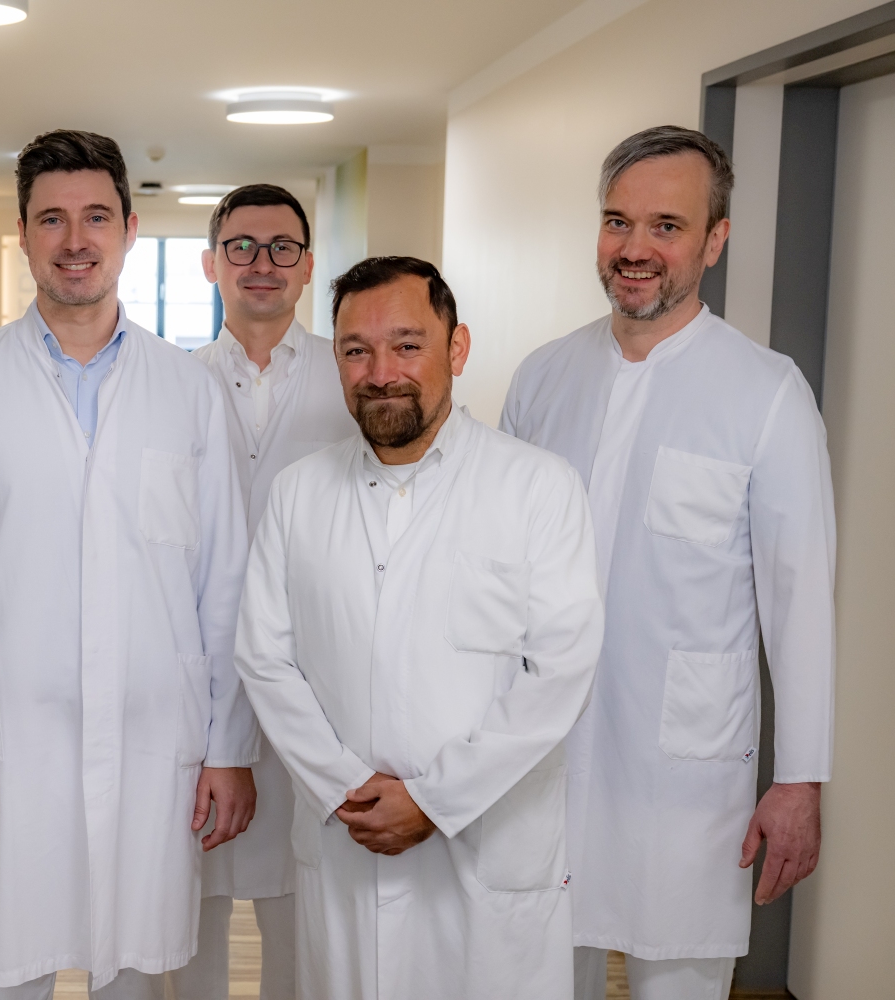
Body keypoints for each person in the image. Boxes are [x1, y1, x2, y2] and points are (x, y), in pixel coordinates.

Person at [0, 129, 257, 999]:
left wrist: (229, 746)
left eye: (96, 216)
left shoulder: (188, 391)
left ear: (130, 229)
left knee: (132, 970)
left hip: (151, 736)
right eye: (52, 219)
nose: (75, 239)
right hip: (5, 738)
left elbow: (224, 584)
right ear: (23, 234)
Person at [501, 126, 835, 1000]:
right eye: (617, 222)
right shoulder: (543, 378)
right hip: (539, 756)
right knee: (534, 974)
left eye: (667, 226)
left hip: (683, 774)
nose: (634, 249)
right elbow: (497, 573)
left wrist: (800, 782)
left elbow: (800, 603)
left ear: (715, 241)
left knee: (678, 976)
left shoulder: (766, 392)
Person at [236, 256, 603, 999]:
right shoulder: (297, 494)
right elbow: (265, 658)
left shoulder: (538, 487)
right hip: (348, 836)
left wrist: (435, 800)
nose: (381, 373)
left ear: (456, 349)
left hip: (488, 844)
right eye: (356, 350)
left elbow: (560, 669)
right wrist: (345, 786)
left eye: (407, 345)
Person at [177, 183, 355, 1000]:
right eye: (241, 246)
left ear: (309, 266)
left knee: (302, 917)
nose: (261, 263)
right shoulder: (172, 383)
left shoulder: (348, 377)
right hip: (196, 672)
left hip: (317, 677)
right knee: (188, 911)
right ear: (211, 263)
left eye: (282, 247)